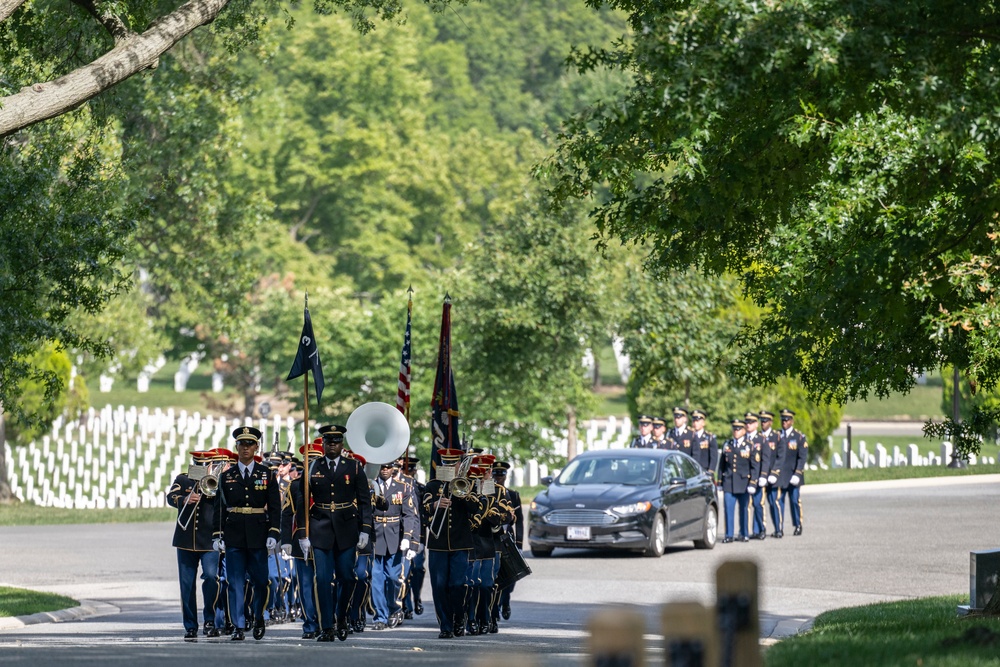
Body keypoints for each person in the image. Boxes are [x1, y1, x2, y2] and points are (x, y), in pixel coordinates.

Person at [295, 423, 372, 642]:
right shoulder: (312, 467)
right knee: (322, 579)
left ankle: (342, 617)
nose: (332, 446)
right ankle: (326, 626)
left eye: (336, 442)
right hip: (320, 528)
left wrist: (365, 529)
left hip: (347, 527)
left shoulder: (354, 467)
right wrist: (303, 533)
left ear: (341, 444)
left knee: (348, 577)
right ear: (324, 444)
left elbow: (365, 501)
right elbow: (302, 501)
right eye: (328, 442)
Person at [216, 426, 281, 641]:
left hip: (258, 533)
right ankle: (238, 625)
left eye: (249, 444)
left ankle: (259, 617)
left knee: (260, 581)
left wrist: (274, 532)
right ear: (236, 447)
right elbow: (219, 507)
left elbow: (274, 507)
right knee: (234, 582)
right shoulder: (227, 476)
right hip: (234, 532)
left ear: (256, 447)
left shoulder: (266, 474)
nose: (245, 448)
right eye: (241, 444)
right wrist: (218, 535)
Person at [166, 448, 222, 641]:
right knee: (186, 585)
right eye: (199, 464)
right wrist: (184, 499)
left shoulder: (218, 481)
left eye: (206, 464)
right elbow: (170, 497)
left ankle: (209, 620)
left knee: (211, 577)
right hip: (185, 540)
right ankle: (190, 625)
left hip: (209, 541)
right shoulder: (183, 479)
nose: (202, 467)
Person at [423, 448, 478, 639]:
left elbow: (476, 507)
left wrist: (464, 493)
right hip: (438, 543)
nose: (449, 467)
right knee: (439, 586)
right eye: (445, 463)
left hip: (460, 543)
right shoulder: (432, 485)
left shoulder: (468, 484)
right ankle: (445, 625)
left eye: (453, 463)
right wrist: (434, 505)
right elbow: (423, 509)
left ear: (459, 465)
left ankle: (459, 617)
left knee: (458, 584)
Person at [371, 461, 419, 630]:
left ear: (393, 469)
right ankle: (380, 616)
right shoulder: (371, 485)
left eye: (388, 467)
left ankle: (394, 608)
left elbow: (409, 515)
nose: (384, 470)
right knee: (376, 579)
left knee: (393, 577)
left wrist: (408, 537)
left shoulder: (403, 487)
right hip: (375, 536)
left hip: (394, 537)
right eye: (382, 467)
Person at [281, 441, 321, 639]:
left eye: (315, 459)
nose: (311, 463)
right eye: (308, 460)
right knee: (305, 584)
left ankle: (326, 620)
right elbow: (287, 514)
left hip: (324, 539)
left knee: (325, 582)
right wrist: (286, 540)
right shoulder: (295, 485)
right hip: (301, 541)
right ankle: (310, 623)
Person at [490, 460, 522, 632]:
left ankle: (505, 601)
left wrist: (520, 544)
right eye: (496, 473)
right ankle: (494, 610)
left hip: (507, 539)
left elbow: (520, 522)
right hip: (494, 538)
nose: (498, 477)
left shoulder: (513, 495)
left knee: (509, 576)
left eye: (501, 474)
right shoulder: (490, 493)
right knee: (495, 576)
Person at [719, 419, 756, 543]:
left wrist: (753, 482)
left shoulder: (749, 446)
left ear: (744, 431)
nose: (736, 431)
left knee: (744, 509)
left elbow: (754, 466)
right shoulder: (727, 445)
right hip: (729, 482)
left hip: (744, 483)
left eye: (739, 429)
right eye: (734, 429)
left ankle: (744, 533)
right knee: (728, 509)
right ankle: (729, 535)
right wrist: (719, 481)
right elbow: (721, 465)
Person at [777, 409, 809, 536]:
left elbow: (802, 457)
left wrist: (798, 473)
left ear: (792, 421)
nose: (784, 422)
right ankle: (779, 526)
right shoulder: (777, 436)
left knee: (795, 501)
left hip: (793, 475)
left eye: (787, 420)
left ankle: (798, 524)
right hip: (780, 476)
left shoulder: (799, 437)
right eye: (783, 420)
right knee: (779, 502)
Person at [757, 410, 784, 537]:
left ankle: (778, 529)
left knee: (774, 502)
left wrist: (774, 473)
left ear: (771, 422)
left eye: (765, 421)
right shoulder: (757, 437)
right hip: (760, 476)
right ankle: (761, 529)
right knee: (759, 504)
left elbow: (781, 457)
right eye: (761, 421)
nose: (763, 423)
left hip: (773, 476)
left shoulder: (777, 437)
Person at [688, 410, 718, 480]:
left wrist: (710, 471)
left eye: (698, 421)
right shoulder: (690, 437)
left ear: (703, 423)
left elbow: (713, 457)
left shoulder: (709, 437)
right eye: (694, 421)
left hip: (705, 471)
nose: (695, 423)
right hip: (692, 471)